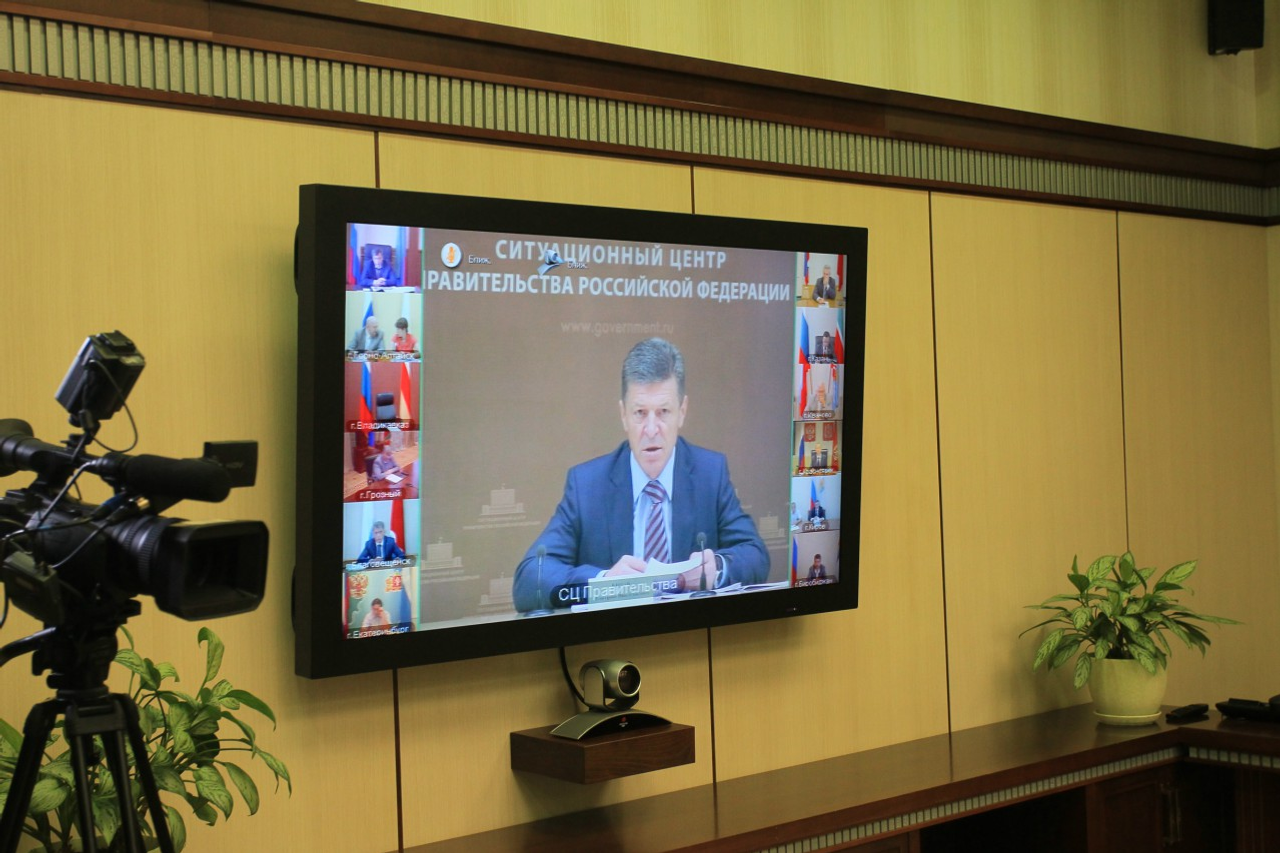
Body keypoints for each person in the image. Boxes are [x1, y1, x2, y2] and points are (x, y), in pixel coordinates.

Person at [513, 338, 769, 613]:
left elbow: (755, 555)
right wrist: (604, 583)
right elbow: (529, 579)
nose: (651, 429)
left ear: (682, 412)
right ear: (623, 415)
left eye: (663, 412)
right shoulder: (587, 486)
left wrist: (718, 567)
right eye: (640, 413)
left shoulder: (710, 474)